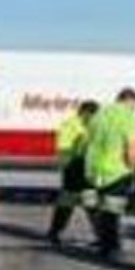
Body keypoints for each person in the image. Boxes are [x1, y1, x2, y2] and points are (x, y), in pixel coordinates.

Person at [82, 87, 135, 258]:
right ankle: (112, 247)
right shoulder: (129, 118)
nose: (134, 108)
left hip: (94, 170)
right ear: (130, 101)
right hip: (117, 171)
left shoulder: (98, 116)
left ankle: (104, 243)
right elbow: (131, 149)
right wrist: (133, 169)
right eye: (134, 105)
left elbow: (88, 142)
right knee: (112, 211)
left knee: (100, 209)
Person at [45, 100, 99, 245]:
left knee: (90, 202)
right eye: (94, 115)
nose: (95, 118)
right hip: (73, 168)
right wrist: (67, 166)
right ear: (85, 112)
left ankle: (100, 235)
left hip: (86, 168)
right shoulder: (70, 124)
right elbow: (63, 148)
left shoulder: (91, 125)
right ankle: (54, 232)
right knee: (68, 203)